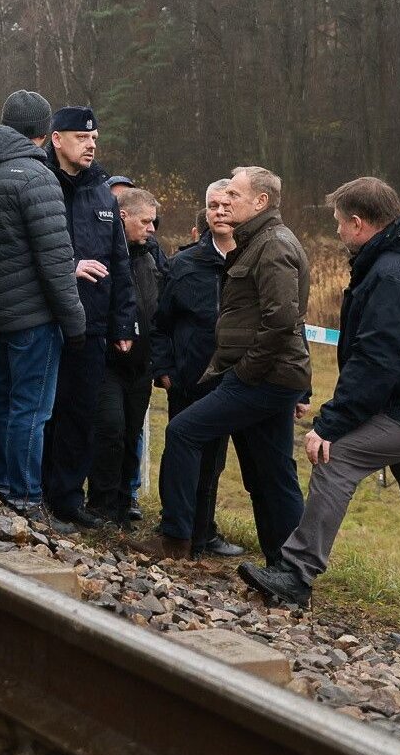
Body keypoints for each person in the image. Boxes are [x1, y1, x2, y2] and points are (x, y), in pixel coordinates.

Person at [239, 178, 400, 659]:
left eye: (338, 223)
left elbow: (379, 359)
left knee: (336, 454)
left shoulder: (395, 274)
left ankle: (295, 573)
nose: (335, 232)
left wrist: (330, 423)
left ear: (358, 223)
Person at [135, 166, 309, 561]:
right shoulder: (257, 242)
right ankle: (284, 566)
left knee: (184, 433)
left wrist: (244, 371)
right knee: (269, 472)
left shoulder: (274, 245)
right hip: (260, 375)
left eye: (233, 195)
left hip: (261, 378)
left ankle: (176, 540)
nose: (224, 203)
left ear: (260, 202)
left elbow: (283, 320)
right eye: (221, 197)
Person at [0, 90, 85, 525]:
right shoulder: (36, 178)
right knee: (30, 408)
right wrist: (74, 320)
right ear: (45, 133)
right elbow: (55, 260)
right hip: (33, 315)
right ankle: (26, 498)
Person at [38, 106, 136, 529]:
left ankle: (67, 498)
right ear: (57, 139)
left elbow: (120, 261)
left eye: (94, 138)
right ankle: (31, 490)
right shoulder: (40, 184)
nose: (91, 144)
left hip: (92, 324)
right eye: (81, 137)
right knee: (43, 410)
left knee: (80, 414)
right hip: (46, 318)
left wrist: (122, 323)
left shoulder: (102, 192)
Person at [151, 182, 246, 556]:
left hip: (235, 379)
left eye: (226, 204)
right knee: (181, 455)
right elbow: (161, 322)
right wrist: (164, 367)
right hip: (189, 377)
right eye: (212, 205)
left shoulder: (254, 260)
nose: (220, 211)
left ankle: (204, 534)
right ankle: (174, 530)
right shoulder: (183, 264)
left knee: (214, 462)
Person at [93, 187, 161, 528]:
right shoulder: (103, 254)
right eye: (145, 221)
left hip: (142, 367)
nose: (151, 229)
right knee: (110, 431)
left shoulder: (150, 257)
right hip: (108, 363)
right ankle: (101, 504)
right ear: (124, 217)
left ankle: (123, 503)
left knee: (132, 432)